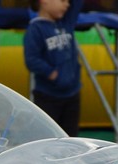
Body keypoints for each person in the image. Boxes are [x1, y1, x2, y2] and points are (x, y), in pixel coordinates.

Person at [23, 0, 83, 136]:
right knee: (49, 138)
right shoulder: (36, 29)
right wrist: (53, 74)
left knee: (71, 138)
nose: (67, 4)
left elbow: (77, 3)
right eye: (62, 0)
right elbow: (32, 59)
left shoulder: (66, 22)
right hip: (48, 97)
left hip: (72, 95)